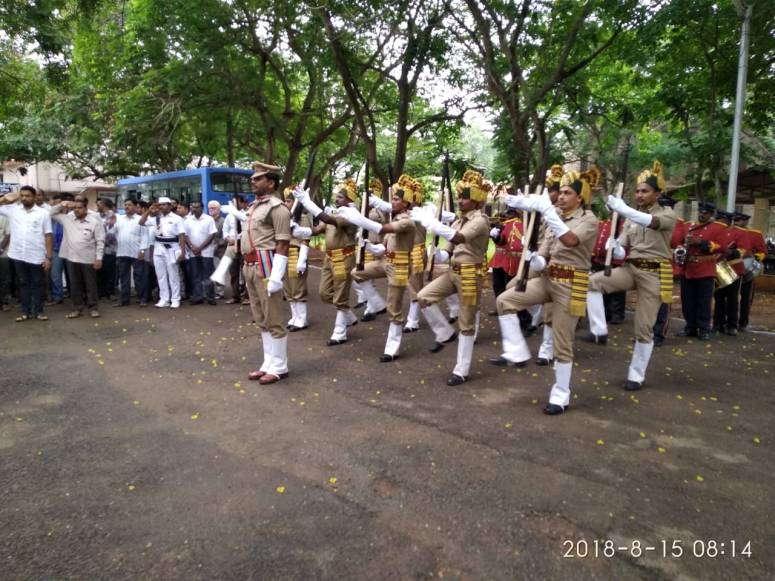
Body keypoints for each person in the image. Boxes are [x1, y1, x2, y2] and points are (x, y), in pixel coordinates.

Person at [493, 169, 599, 414]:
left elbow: (571, 240)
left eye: (566, 193)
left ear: (579, 198)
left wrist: (547, 211)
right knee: (505, 300)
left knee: (562, 344)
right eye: (559, 192)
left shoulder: (589, 220)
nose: (560, 197)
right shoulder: (556, 217)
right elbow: (545, 251)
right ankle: (517, 352)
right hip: (548, 278)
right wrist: (536, 259)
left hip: (571, 284)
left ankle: (561, 395)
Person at [585, 161, 677, 391]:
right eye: (637, 190)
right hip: (631, 268)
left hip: (654, 273)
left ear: (657, 193)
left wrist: (624, 209)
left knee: (643, 327)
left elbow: (652, 222)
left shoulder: (667, 213)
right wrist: (615, 247)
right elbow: (624, 246)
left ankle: (636, 375)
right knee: (592, 283)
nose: (639, 194)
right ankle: (599, 330)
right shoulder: (629, 219)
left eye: (645, 191)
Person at [410, 170, 490, 386]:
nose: (461, 200)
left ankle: (461, 370)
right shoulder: (458, 221)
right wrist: (437, 254)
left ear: (476, 200)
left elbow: (459, 238)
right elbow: (448, 251)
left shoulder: (480, 220)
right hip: (453, 272)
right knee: (423, 296)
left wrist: (431, 223)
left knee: (466, 324)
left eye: (465, 197)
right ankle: (444, 332)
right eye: (460, 196)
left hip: (471, 275)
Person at [339, 174, 419, 361]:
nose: (393, 201)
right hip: (386, 261)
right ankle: (376, 303)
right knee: (357, 273)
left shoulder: (407, 220)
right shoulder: (396, 216)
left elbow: (382, 230)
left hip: (399, 266)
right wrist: (369, 247)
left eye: (397, 199)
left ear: (406, 203)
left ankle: (392, 347)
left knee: (395, 307)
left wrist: (358, 218)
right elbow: (384, 245)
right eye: (393, 198)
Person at [294, 179, 360, 346]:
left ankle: (340, 333)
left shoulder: (351, 215)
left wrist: (307, 202)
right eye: (337, 197)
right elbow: (317, 229)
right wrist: (296, 229)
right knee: (324, 293)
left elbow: (327, 220)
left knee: (340, 295)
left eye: (340, 197)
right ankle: (348, 315)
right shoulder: (335, 213)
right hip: (329, 258)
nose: (336, 199)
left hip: (343, 258)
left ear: (349, 200)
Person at [242, 162, 291, 384]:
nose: (253, 181)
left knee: (275, 318)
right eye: (253, 178)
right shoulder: (254, 207)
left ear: (270, 183)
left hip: (267, 267)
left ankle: (280, 366)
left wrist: (276, 276)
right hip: (250, 266)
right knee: (261, 318)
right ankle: (268, 363)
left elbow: (282, 243)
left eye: (258, 178)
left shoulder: (277, 208)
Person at [0, 187, 54, 321]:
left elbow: (48, 235)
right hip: (18, 254)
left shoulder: (43, 213)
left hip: (37, 255)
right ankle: (25, 312)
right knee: (23, 283)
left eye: (28, 196)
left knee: (38, 284)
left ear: (35, 197)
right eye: (22, 195)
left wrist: (48, 257)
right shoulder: (12, 210)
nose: (24, 198)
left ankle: (39, 311)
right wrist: (6, 198)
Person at [677, 201, 726, 340]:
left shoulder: (717, 228)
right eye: (700, 212)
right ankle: (690, 327)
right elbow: (678, 241)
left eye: (705, 213)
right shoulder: (688, 226)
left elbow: (722, 247)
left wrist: (701, 243)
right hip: (688, 267)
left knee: (704, 301)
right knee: (687, 300)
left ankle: (704, 329)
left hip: (705, 269)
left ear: (711, 214)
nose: (702, 214)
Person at [51, 199, 106, 318]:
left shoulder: (94, 221)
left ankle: (93, 308)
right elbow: (50, 213)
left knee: (90, 285)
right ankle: (77, 308)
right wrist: (62, 204)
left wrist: (99, 258)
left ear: (86, 209)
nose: (77, 210)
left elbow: (100, 241)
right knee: (75, 285)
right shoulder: (67, 219)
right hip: (72, 258)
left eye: (80, 207)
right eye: (74, 208)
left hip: (89, 259)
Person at [139, 196, 186, 308]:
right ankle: (164, 298)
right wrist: (149, 211)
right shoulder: (156, 218)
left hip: (172, 247)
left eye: (165, 204)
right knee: (161, 275)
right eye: (161, 205)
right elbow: (141, 222)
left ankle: (175, 299)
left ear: (170, 206)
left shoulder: (177, 218)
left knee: (173, 275)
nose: (163, 207)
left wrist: (182, 252)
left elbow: (181, 235)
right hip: (158, 247)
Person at [652, 194, 684, 347]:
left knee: (663, 301)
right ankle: (646, 333)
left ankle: (659, 333)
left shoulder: (678, 224)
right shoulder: (651, 218)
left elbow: (677, 243)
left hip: (665, 265)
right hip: (649, 264)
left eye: (665, 206)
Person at [712, 209, 749, 336]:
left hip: (733, 268)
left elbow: (743, 250)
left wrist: (731, 252)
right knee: (719, 298)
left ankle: (732, 325)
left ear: (727, 221)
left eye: (720, 220)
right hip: (718, 268)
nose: (718, 222)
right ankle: (718, 324)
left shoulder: (739, 232)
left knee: (732, 299)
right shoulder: (714, 231)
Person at [282, 185, 313, 331]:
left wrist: (302, 259)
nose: (286, 203)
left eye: (289, 201)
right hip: (284, 254)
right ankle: (294, 317)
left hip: (296, 253)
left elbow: (306, 239)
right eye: (285, 201)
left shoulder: (303, 217)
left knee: (298, 288)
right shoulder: (283, 218)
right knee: (288, 289)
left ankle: (302, 319)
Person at [113, 198, 149, 307]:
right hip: (122, 252)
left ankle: (142, 299)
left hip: (136, 252)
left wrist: (142, 250)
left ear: (135, 206)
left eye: (129, 205)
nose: (126, 207)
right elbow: (115, 233)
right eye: (125, 205)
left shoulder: (140, 219)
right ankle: (124, 300)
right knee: (123, 277)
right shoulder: (120, 219)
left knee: (139, 277)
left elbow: (145, 236)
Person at [734, 212, 766, 331]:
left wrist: (755, 258)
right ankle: (730, 320)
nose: (738, 223)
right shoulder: (730, 231)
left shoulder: (754, 234)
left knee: (746, 297)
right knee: (730, 296)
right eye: (736, 220)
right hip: (732, 269)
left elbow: (763, 251)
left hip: (747, 269)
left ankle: (743, 322)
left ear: (746, 222)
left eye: (741, 221)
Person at [184, 200, 218, 305]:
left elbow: (212, 235)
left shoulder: (209, 219)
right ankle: (198, 297)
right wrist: (192, 247)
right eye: (193, 207)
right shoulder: (187, 220)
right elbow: (185, 235)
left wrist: (200, 248)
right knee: (195, 275)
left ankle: (210, 297)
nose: (194, 209)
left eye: (197, 207)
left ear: (202, 208)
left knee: (208, 275)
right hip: (192, 251)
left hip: (206, 252)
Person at [223, 194, 249, 304]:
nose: (235, 205)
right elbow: (225, 230)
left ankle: (248, 296)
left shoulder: (247, 214)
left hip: (244, 245)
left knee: (246, 272)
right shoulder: (229, 216)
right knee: (233, 272)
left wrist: (241, 239)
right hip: (232, 246)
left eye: (237, 202)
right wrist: (227, 238)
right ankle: (235, 295)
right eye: (233, 202)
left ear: (243, 203)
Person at [96, 198, 117, 300]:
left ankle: (110, 292)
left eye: (99, 205)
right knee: (99, 271)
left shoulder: (113, 216)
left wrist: (100, 235)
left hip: (110, 249)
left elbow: (111, 233)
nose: (97, 207)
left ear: (104, 205)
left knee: (109, 271)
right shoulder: (98, 216)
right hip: (99, 249)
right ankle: (100, 291)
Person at [208, 200, 227, 298]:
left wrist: (218, 244)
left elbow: (226, 237)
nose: (211, 210)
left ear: (219, 209)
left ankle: (220, 292)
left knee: (219, 271)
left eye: (213, 208)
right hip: (207, 250)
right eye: (209, 208)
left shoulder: (223, 221)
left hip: (219, 251)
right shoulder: (207, 220)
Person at [0, 211, 11, 311]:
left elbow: (8, 234)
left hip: (3, 254)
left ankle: (3, 303)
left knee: (4, 279)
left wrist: (1, 248)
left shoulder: (4, 216)